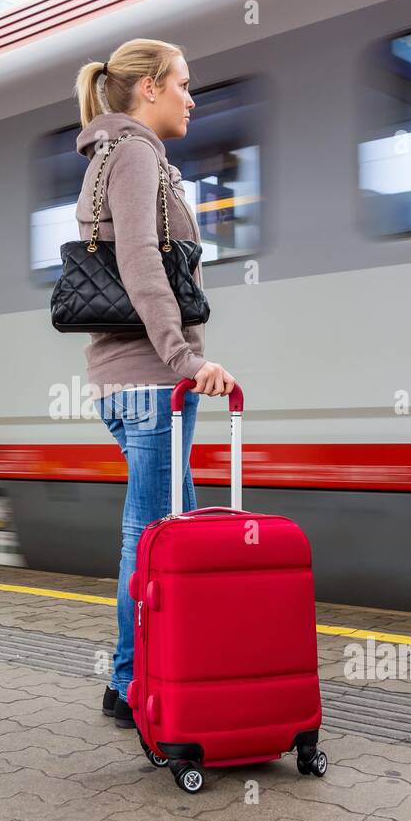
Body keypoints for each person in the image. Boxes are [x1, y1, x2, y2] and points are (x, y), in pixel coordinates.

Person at [70, 40, 236, 728]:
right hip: (150, 384)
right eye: (185, 85)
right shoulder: (135, 154)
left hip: (131, 383)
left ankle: (171, 671)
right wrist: (185, 360)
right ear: (147, 89)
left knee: (175, 536)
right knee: (150, 539)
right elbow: (140, 260)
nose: (192, 99)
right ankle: (130, 681)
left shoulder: (113, 153)